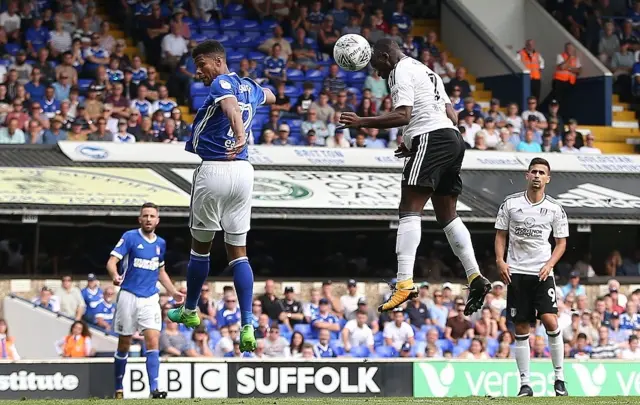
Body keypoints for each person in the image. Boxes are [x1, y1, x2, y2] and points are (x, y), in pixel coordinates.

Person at [339, 38, 491, 314]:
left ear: (385, 57)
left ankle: (404, 283)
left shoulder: (399, 72)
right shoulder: (426, 70)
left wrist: (363, 122)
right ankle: (475, 276)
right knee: (447, 215)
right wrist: (411, 142)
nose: (378, 74)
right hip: (452, 139)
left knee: (409, 208)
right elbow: (451, 115)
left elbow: (404, 115)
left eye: (377, 67)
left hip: (432, 139)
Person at [167, 40, 276, 354]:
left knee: (200, 248)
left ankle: (189, 309)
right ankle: (247, 324)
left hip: (215, 168)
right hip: (244, 172)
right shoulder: (248, 86)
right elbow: (269, 95)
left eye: (202, 64)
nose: (199, 72)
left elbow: (229, 106)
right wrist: (258, 93)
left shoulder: (222, 82)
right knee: (238, 252)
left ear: (217, 61)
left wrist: (240, 133)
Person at [494, 157, 569, 397]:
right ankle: (525, 384)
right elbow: (500, 235)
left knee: (551, 321)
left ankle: (559, 378)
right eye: (533, 171)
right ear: (527, 175)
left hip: (541, 272)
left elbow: (561, 243)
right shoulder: (511, 204)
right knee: (522, 327)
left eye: (541, 172)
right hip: (516, 273)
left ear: (548, 178)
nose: (537, 176)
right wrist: (499, 261)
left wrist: (549, 264)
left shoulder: (555, 208)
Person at [106, 203, 185, 399]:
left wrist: (173, 291)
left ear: (157, 220)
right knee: (124, 343)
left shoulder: (161, 243)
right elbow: (111, 262)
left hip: (150, 297)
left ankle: (154, 390)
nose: (148, 219)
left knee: (153, 341)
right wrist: (115, 275)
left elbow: (160, 271)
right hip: (128, 295)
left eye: (152, 216)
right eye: (145, 216)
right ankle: (118, 388)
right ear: (139, 219)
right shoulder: (130, 237)